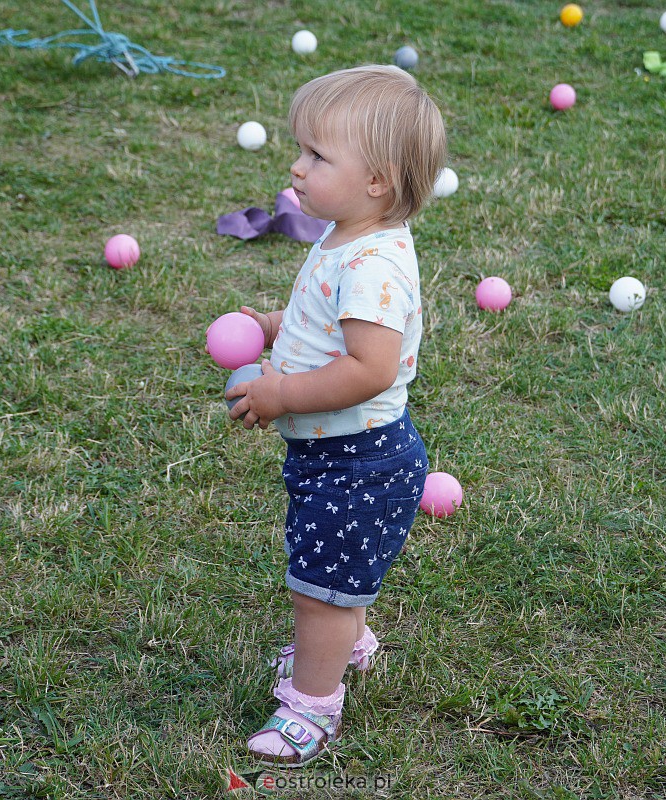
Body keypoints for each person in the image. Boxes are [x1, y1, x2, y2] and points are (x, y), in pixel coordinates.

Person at [225, 64, 447, 767]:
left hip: (359, 463)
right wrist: (279, 325)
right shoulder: (349, 234)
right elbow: (334, 326)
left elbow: (369, 368)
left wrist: (282, 393)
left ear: (377, 179)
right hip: (342, 456)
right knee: (334, 568)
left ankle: (311, 708)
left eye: (317, 155)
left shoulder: (375, 264)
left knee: (316, 589)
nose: (296, 165)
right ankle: (350, 640)